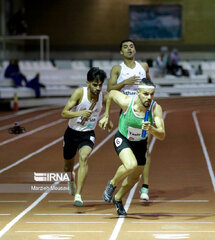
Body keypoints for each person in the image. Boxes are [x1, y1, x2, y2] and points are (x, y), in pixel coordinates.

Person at [99, 78, 165, 216]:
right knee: (130, 165)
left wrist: (151, 128)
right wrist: (106, 116)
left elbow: (162, 135)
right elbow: (111, 93)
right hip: (123, 139)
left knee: (135, 178)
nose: (149, 97)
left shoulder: (155, 108)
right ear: (138, 92)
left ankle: (118, 199)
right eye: (146, 94)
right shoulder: (126, 101)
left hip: (140, 144)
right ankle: (111, 185)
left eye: (152, 94)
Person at [107, 39, 153, 201]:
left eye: (131, 46)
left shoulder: (144, 67)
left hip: (144, 110)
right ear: (121, 52)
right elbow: (109, 89)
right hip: (127, 109)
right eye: (125, 47)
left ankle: (145, 187)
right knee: (130, 144)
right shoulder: (118, 69)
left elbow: (150, 84)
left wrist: (148, 98)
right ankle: (121, 176)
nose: (129, 49)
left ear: (135, 49)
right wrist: (125, 83)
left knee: (144, 148)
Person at [61, 67, 113, 206]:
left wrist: (107, 117)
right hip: (71, 133)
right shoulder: (79, 93)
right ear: (87, 83)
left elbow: (110, 99)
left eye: (100, 85)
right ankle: (70, 180)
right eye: (95, 85)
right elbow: (64, 113)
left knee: (84, 158)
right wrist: (80, 114)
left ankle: (78, 194)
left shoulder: (104, 95)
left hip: (88, 134)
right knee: (67, 167)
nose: (98, 88)